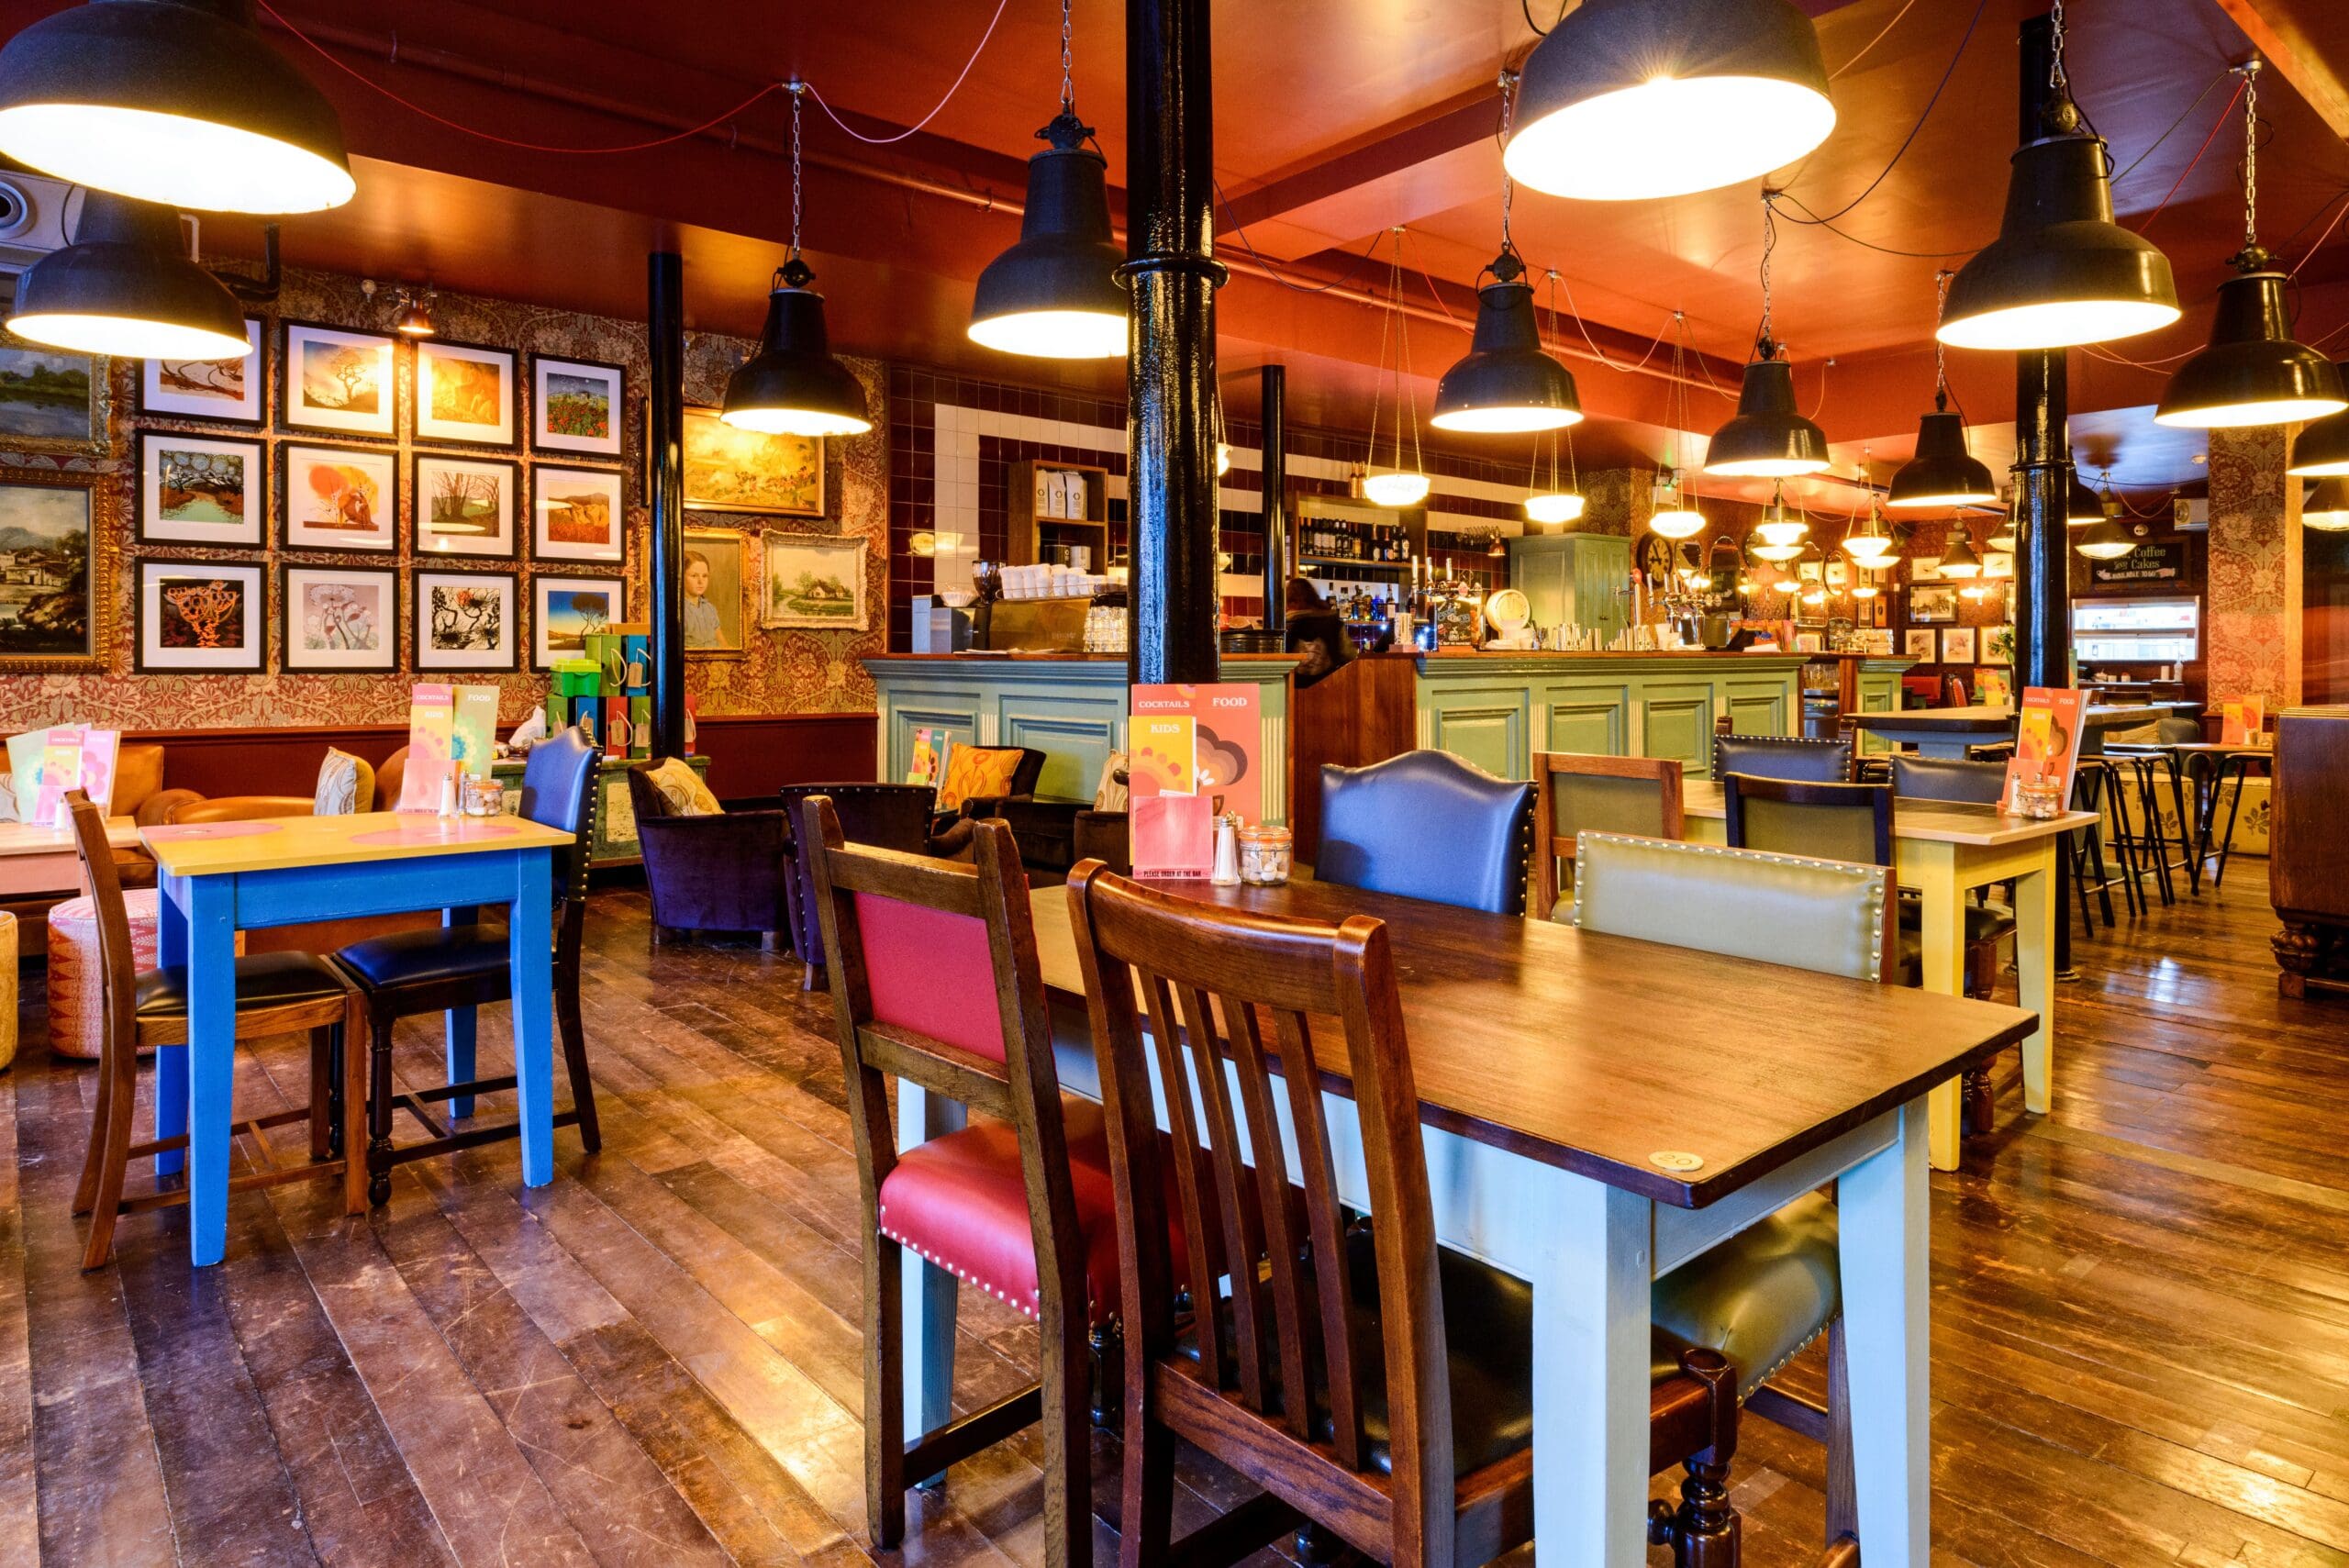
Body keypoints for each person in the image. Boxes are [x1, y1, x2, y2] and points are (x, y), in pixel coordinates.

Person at [1284, 576, 1353, 688]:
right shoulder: (1334, 623)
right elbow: (1350, 656)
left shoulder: (1284, 627)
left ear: (1293, 602)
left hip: (1292, 693)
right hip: (1328, 690)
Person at [682, 549, 723, 648]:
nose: (701, 581)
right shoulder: (676, 610)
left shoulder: (710, 609)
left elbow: (723, 644)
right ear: (681, 577)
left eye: (704, 576)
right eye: (694, 576)